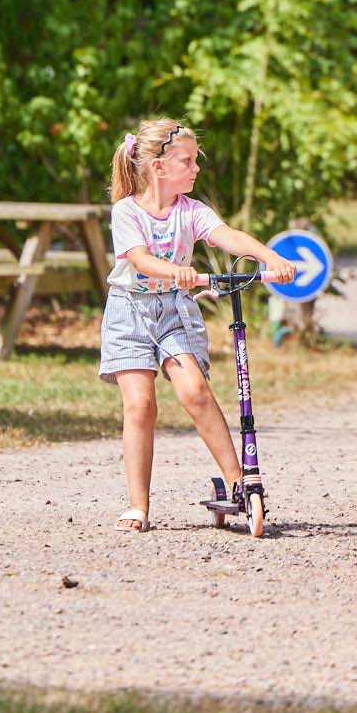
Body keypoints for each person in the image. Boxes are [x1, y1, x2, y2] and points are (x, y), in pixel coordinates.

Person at [101, 117, 296, 531]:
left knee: (196, 393)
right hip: (129, 312)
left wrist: (269, 258)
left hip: (173, 311)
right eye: (187, 161)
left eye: (194, 160)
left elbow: (229, 235)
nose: (195, 168)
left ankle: (239, 483)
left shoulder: (191, 212)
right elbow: (138, 259)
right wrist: (176, 271)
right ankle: (138, 505)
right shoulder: (126, 212)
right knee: (140, 406)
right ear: (158, 168)